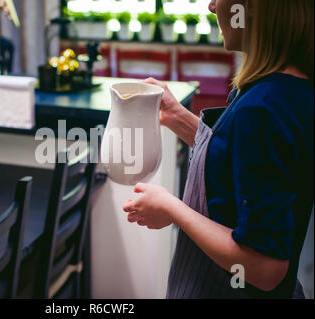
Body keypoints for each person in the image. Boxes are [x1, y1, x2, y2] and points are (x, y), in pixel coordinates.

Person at [123, 0, 314, 298]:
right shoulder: (287, 89)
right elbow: (239, 159)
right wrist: (178, 118)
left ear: (251, 6)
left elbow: (266, 268)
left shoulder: (262, 110)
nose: (212, 6)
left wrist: (172, 208)